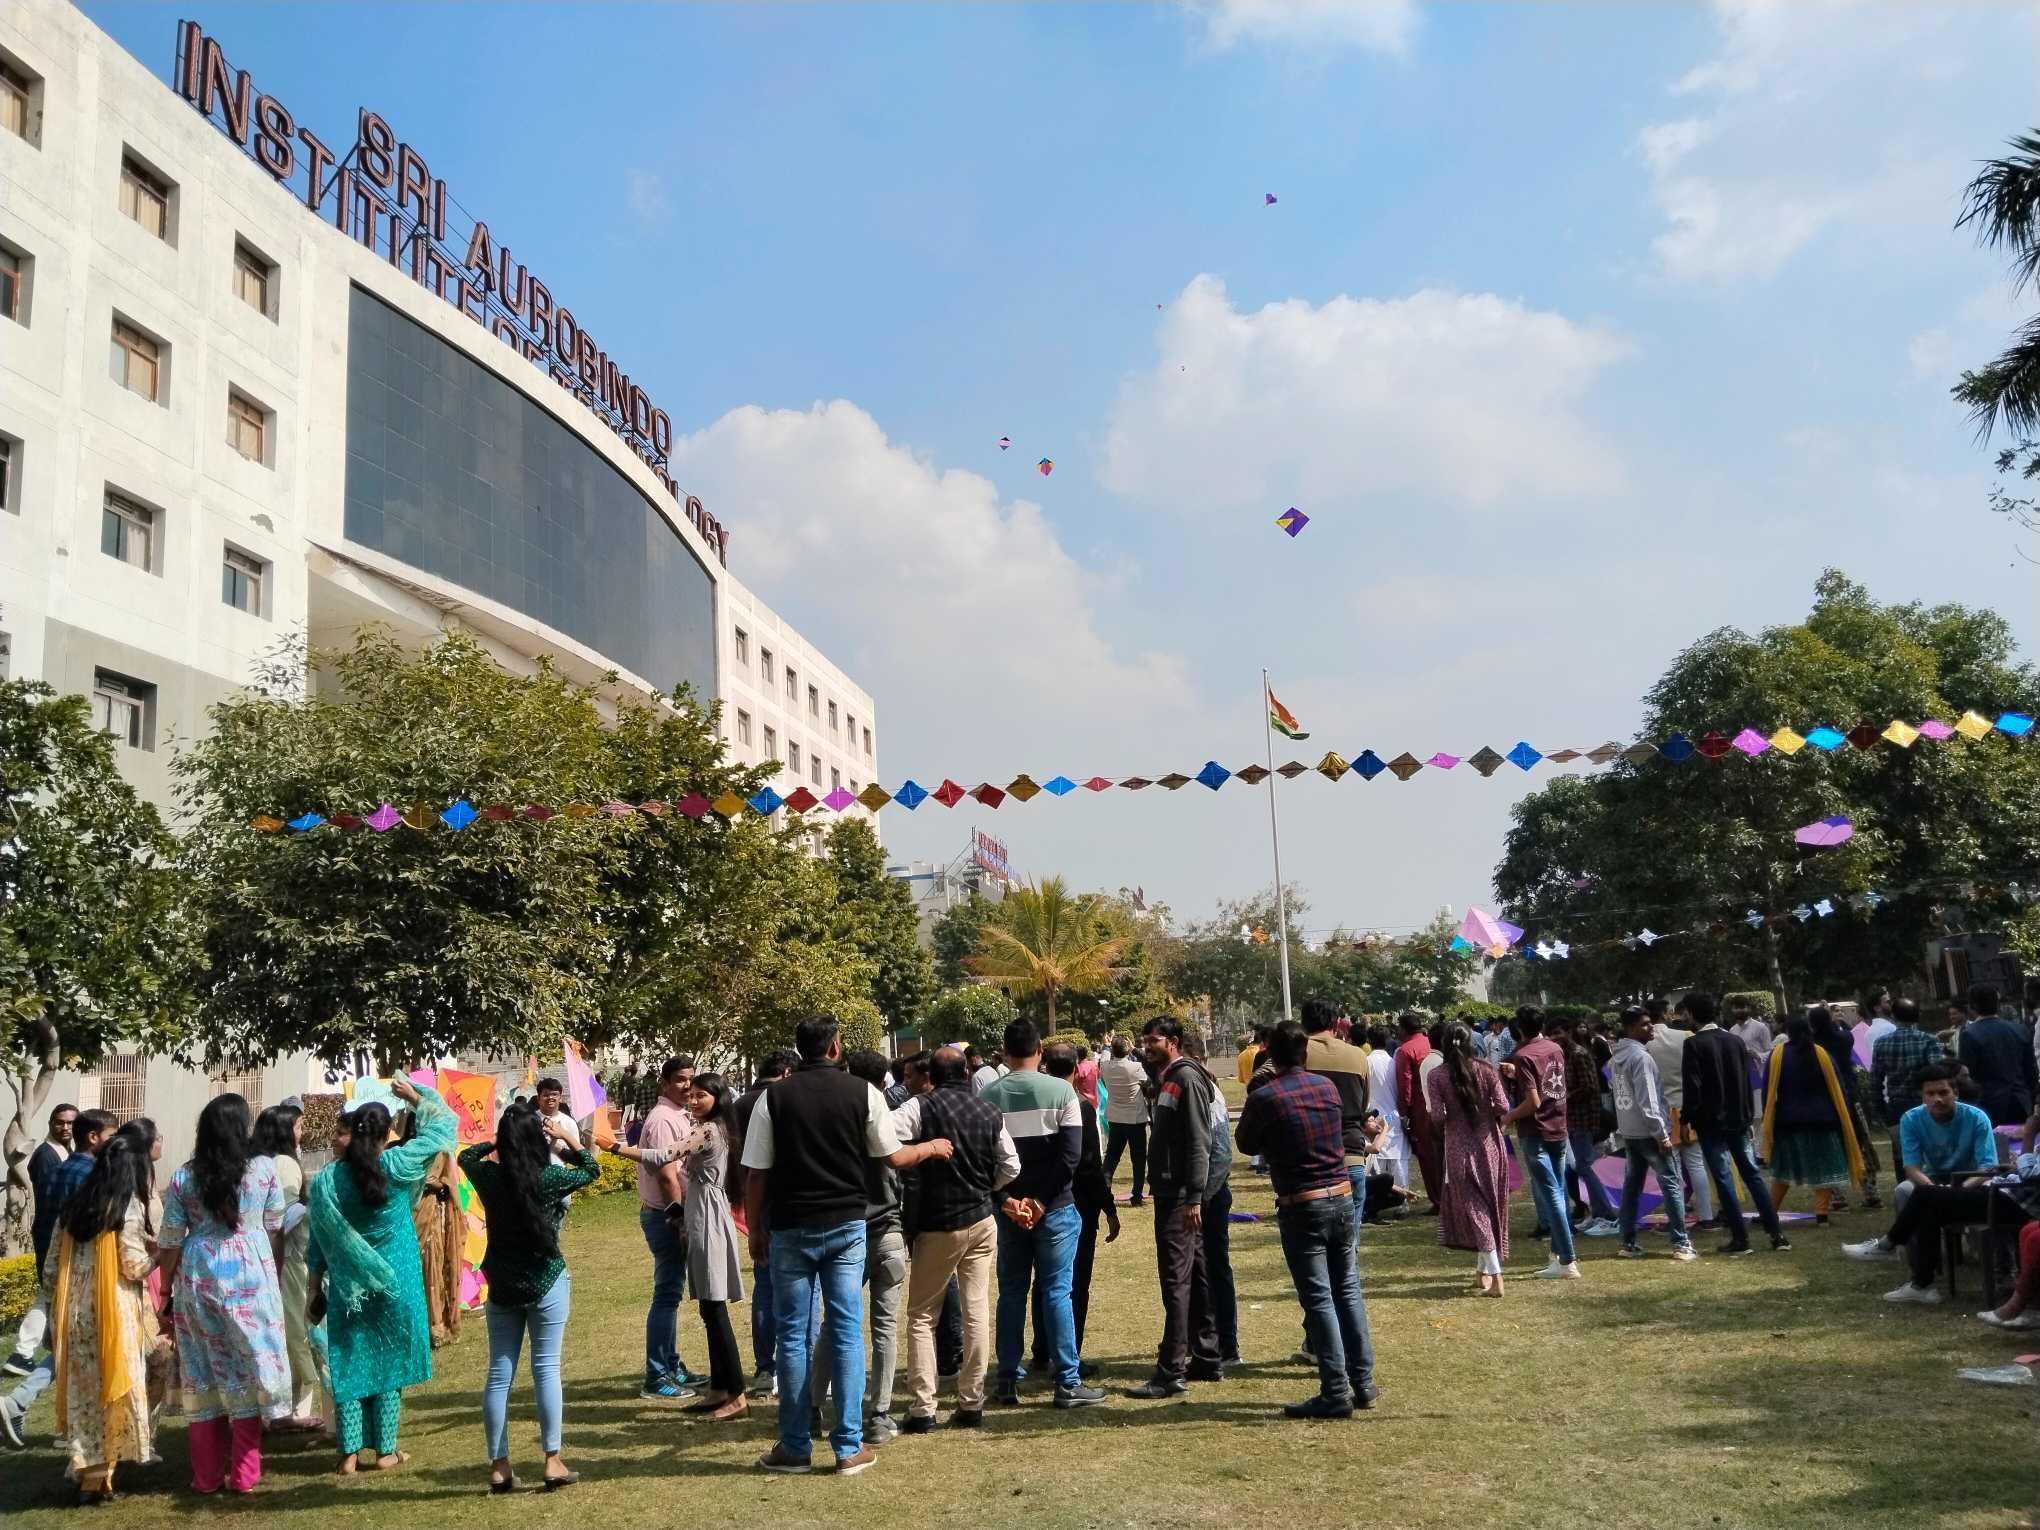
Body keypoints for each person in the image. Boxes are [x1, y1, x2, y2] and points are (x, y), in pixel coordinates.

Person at [741, 1015, 956, 1476]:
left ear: (800, 1051)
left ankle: (796, 1445)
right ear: (836, 1046)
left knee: (794, 1336)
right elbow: (894, 1157)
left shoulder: (772, 1098)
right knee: (845, 1329)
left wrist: (756, 1230)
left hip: (790, 1227)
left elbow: (756, 1172)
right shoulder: (865, 1093)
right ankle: (849, 1446)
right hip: (846, 1224)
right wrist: (933, 1147)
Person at [307, 1075, 458, 1474]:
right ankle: (386, 1451)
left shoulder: (326, 1181)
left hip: (348, 1285)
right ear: (386, 1133)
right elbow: (445, 1125)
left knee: (351, 1359)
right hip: (397, 1279)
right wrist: (417, 1095)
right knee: (389, 1362)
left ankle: (349, 1454)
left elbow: (318, 1243)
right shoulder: (397, 1164)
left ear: (351, 1134)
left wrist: (312, 1289)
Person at [1237, 1019, 1378, 1419]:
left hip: (1303, 1203)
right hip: (1341, 1196)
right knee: (1347, 1290)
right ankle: (1363, 1382)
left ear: (1270, 1055)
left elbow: (1246, 1142)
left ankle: (1336, 1390)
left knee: (1318, 1298)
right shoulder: (1326, 1088)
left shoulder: (1268, 1096)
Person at [458, 1102, 600, 1490]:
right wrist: (567, 1137)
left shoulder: (488, 1176)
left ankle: (499, 1466)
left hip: (502, 1283)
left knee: (499, 1373)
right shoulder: (546, 1179)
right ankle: (552, 1460)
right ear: (538, 1140)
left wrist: (499, 1137)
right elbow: (591, 1169)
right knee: (546, 1369)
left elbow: (466, 1155)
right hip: (545, 1278)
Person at [160, 1094, 291, 1493]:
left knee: (202, 1373)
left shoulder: (184, 1177)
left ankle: (206, 1477)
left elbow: (169, 1239)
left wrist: (165, 1287)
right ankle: (246, 1475)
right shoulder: (264, 1169)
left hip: (199, 1275)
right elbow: (275, 1222)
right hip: (251, 1274)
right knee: (249, 1369)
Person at [979, 1021, 1103, 1411]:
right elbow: (1071, 1156)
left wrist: (1008, 1201)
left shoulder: (987, 1095)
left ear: (1004, 1050)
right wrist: (1042, 1202)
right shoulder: (1062, 1091)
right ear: (1039, 1051)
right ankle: (1067, 1381)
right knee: (1056, 1292)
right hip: (1056, 1208)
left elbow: (983, 1160)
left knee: (1011, 1291)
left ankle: (1007, 1379)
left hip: (1011, 1211)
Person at [893, 1047, 1016, 1435]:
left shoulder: (920, 1107)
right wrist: (986, 1187)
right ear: (966, 1072)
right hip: (981, 1219)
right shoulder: (988, 1110)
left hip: (938, 1223)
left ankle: (924, 1407)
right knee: (976, 1309)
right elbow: (1011, 1164)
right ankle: (971, 1402)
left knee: (922, 1316)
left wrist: (922, 1152)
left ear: (932, 1072)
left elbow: (884, 1139)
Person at [46, 1127, 157, 1505]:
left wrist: (50, 1315)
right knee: (113, 1390)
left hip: (74, 1312)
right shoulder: (125, 1206)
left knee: (84, 1395)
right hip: (113, 1312)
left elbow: (49, 1270)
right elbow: (132, 1266)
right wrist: (159, 1255)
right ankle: (97, 1481)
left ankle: (91, 1475)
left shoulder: (74, 1205)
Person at [811, 1051, 910, 1441]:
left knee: (833, 1324)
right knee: (884, 1326)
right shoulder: (883, 1113)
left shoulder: (835, 1116)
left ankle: (812, 1406)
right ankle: (878, 1413)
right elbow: (899, 1168)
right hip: (886, 1227)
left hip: (846, 1228)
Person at [0, 1108, 112, 1444]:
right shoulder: (88, 1174)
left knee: (72, 1347)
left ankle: (26, 1404)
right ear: (94, 1137)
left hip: (58, 1270)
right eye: (112, 1135)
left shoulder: (60, 1169)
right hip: (79, 1274)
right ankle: (27, 1403)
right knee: (80, 1347)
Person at [1867, 1111, 2040, 1306]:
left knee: (1925, 1195)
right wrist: (2013, 1167)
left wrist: (2029, 1136)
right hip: (2002, 1192)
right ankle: (1922, 1285)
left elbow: (2031, 1176)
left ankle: (1889, 1245)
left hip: (2013, 1203)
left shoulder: (2027, 1133)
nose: (2034, 1116)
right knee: (1930, 1210)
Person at [1843, 1062, 1998, 1264]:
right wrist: (1934, 1189)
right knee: (1903, 1191)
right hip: (1932, 1179)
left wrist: (1955, 1190)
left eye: (1943, 1092)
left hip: (1971, 1180)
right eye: (1930, 1094)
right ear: (1922, 1096)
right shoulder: (1911, 1119)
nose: (1938, 1099)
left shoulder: (1976, 1118)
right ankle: (1915, 1260)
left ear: (1955, 1093)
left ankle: (1888, 1245)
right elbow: (1912, 1168)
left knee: (1990, 1188)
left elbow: (1987, 1167)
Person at [1679, 993, 1789, 1255]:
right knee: (1752, 1174)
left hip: (1710, 1122)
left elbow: (1693, 1089)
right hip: (1739, 1118)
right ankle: (1777, 1235)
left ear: (1692, 1015)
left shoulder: (1694, 1044)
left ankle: (1740, 1239)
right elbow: (1746, 1080)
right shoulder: (1735, 1041)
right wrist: (1749, 1115)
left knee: (1724, 1178)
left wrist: (1685, 1119)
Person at [1043, 1043, 1119, 1373]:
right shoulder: (1080, 1108)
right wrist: (1108, 1207)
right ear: (1076, 1070)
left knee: (1045, 1281)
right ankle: (1068, 1352)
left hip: (1043, 1199)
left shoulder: (1039, 1103)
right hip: (1076, 1204)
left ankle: (1044, 1347)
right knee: (1075, 1283)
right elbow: (1089, 1165)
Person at [1425, 1022, 1519, 1293]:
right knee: (1490, 1208)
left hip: (1458, 1148)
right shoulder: (1487, 1070)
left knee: (1476, 1211)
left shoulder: (1437, 1076)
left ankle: (1496, 1275)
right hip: (1490, 1147)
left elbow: (1438, 1116)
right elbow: (1502, 1106)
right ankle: (1483, 1272)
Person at [253, 1104, 327, 1432]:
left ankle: (290, 1405)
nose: (302, 1133)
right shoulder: (283, 1164)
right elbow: (278, 1218)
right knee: (298, 1331)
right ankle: (295, 1408)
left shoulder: (265, 1162)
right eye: (298, 1127)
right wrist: (308, 1208)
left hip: (284, 1259)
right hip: (290, 1262)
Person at [636, 1055, 703, 1401]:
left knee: (672, 1294)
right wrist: (677, 1218)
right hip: (665, 1216)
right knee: (666, 1295)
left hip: (673, 1214)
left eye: (690, 1079)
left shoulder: (679, 1115)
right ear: (664, 1082)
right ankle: (656, 1374)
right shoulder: (663, 1119)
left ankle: (671, 1364)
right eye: (679, 1079)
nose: (687, 1085)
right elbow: (665, 1174)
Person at [732, 1048, 797, 1398]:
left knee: (765, 1286)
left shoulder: (741, 1103)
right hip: (787, 1200)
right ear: (787, 1071)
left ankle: (764, 1368)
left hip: (754, 1199)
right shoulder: (784, 1099)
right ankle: (793, 1368)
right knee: (803, 1289)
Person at [1760, 1009, 1864, 1224]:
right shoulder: (1821, 1053)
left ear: (1787, 1031)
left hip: (1788, 1121)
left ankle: (1770, 1211)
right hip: (1823, 1120)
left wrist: (1768, 1117)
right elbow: (1838, 1087)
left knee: (1783, 1169)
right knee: (1824, 1167)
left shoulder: (1778, 1054)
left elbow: (1768, 1090)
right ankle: (1822, 1214)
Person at [1611, 1005, 1698, 1261]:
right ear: (1630, 1028)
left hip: (1630, 1131)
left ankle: (1627, 1242)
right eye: (1645, 1024)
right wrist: (1662, 1135)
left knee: (1632, 1185)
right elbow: (1648, 1100)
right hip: (1649, 1132)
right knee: (1671, 1182)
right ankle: (1681, 1243)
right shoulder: (1641, 1058)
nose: (1651, 1028)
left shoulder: (1618, 1055)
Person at [1504, 1010, 1580, 1279]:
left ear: (1520, 1029)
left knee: (1552, 1194)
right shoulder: (1553, 1047)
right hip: (1558, 1125)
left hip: (1535, 1131)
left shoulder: (1523, 1055)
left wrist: (1509, 1116)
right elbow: (1547, 1084)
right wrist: (1517, 1075)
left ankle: (1567, 1259)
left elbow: (1533, 1101)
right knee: (1558, 1189)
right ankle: (1560, 1255)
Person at [1182, 1030, 1240, 1367]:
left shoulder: (1208, 1093)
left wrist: (1201, 1198)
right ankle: (1205, 1341)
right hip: (1201, 1195)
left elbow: (1220, 1153)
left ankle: (1226, 1344)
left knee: (1214, 1270)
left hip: (1211, 1197)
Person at [1646, 998, 1715, 1227]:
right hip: (1687, 1107)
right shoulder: (1685, 1036)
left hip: (1661, 1111)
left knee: (1670, 1169)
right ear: (1666, 1014)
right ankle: (1706, 1216)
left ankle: (1677, 1217)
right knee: (1696, 1165)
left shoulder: (1645, 1043)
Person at [1812, 1005, 1883, 1211]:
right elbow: (1846, 1035)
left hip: (1825, 1102)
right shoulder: (1844, 1039)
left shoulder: (1813, 1045)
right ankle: (1871, 1192)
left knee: (1830, 1148)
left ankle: (1838, 1196)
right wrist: (1839, 1023)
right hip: (1851, 1098)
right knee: (1862, 1144)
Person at [1871, 998, 1946, 1166]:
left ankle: (1904, 1189)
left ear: (1894, 1017)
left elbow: (1875, 1080)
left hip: (1896, 1106)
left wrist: (1881, 1109)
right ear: (1917, 1016)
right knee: (1930, 1152)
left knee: (1902, 1155)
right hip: (1924, 1105)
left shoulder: (1881, 1043)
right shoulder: (1928, 1040)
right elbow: (1937, 1074)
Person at [1561, 1020, 1619, 1235]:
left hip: (1584, 1118)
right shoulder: (1568, 1055)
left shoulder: (1579, 1054)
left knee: (1585, 1166)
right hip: (1574, 1119)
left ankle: (1606, 1213)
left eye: (1558, 1033)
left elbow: (1589, 1087)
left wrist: (1566, 1097)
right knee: (1582, 1166)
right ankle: (1598, 1212)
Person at [411, 1120, 464, 1349]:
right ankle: (415, 1327)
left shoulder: (442, 1152)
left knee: (433, 1268)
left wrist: (438, 1186)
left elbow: (452, 1184)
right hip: (410, 1217)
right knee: (415, 1269)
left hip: (434, 1217)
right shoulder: (402, 1150)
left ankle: (436, 1327)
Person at [1959, 985, 2037, 1127]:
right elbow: (2031, 1070)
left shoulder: (1969, 1034)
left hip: (1989, 1104)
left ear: (1972, 1006)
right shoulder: (2019, 1029)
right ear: (1998, 1003)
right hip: (2022, 1100)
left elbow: (1967, 1073)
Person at [1395, 1014, 1441, 1212]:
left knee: (1427, 1154)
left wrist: (1404, 1112)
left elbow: (1405, 1084)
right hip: (1441, 1102)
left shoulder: (1405, 1050)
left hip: (1421, 1108)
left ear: (1404, 1030)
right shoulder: (1430, 1042)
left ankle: (1438, 1199)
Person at [1100, 1036, 1151, 1207]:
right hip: (1135, 1119)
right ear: (1128, 1050)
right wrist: (1134, 1047)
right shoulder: (1135, 1067)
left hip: (1115, 1118)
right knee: (1138, 1159)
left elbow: (1105, 1054)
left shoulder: (1105, 1066)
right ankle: (1136, 1195)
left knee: (1112, 1157)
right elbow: (1148, 1082)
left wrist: (1106, 1044)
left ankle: (1104, 1191)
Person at [1361, 1027, 1409, 1201]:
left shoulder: (1366, 1062)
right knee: (1397, 1159)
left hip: (1374, 1118)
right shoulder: (1394, 1063)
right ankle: (1402, 1198)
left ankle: (1380, 1198)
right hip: (1392, 1116)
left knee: (1375, 1160)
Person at [531, 1077, 583, 1165]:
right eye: (546, 1095)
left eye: (554, 1094)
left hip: (561, 1174)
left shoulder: (569, 1123)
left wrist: (556, 1146)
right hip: (533, 1174)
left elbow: (578, 1154)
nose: (550, 1097)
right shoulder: (529, 1120)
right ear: (538, 1098)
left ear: (560, 1098)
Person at [1072, 1045, 1100, 1110]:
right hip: (1095, 1101)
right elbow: (1098, 1077)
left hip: (1083, 1104)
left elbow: (1073, 1086)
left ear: (1077, 1056)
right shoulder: (1094, 1064)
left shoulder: (1079, 1068)